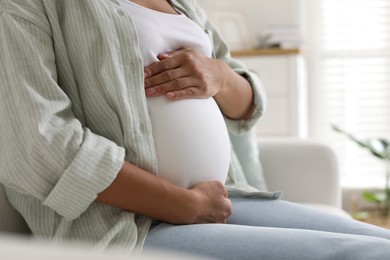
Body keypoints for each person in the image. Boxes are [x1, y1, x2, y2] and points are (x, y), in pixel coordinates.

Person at [0, 0, 390, 259]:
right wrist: (184, 206)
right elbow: (40, 145)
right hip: (128, 229)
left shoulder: (182, 3)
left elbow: (245, 107)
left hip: (226, 201)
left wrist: (220, 77)